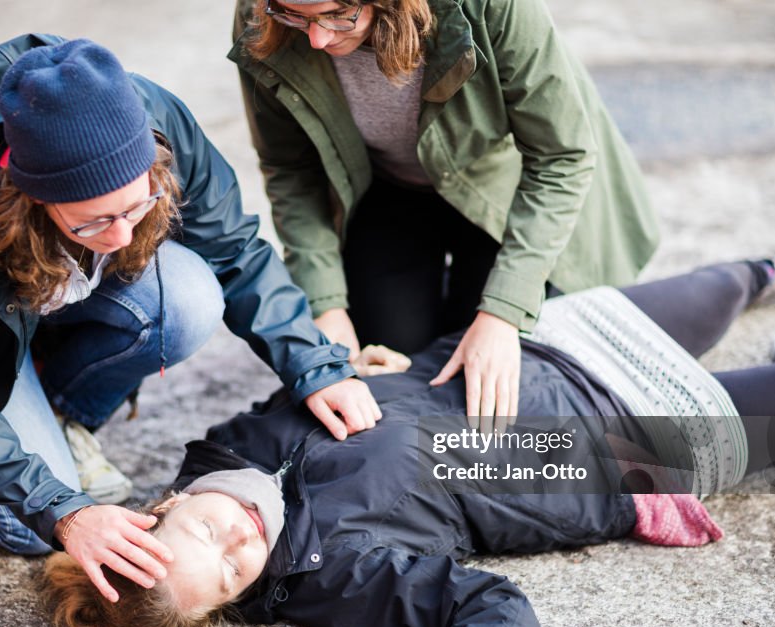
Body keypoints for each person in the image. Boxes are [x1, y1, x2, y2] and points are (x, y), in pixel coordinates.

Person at [41, 254, 775, 627]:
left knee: (725, 283)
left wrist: (376, 372)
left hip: (529, 351)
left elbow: (343, 398)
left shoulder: (225, 447)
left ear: (166, 503)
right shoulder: (335, 572)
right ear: (233, 602)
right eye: (229, 576)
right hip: (616, 443)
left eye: (207, 532)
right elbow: (499, 616)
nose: (238, 542)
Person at [0, 35, 381, 604]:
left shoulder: (151, 115)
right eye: (92, 223)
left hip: (14, 315)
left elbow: (231, 248)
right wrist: (66, 513)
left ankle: (55, 412)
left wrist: (314, 363)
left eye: (138, 205)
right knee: (29, 526)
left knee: (187, 296)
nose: (124, 236)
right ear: (30, 198)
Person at [229, 0, 663, 427]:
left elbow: (560, 157)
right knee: (389, 371)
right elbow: (291, 169)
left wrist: (503, 313)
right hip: (387, 191)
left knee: (494, 378)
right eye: (296, 16)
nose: (318, 38)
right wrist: (326, 306)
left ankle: (734, 278)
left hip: (503, 189)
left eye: (340, 15)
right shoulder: (263, 12)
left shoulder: (492, 5)